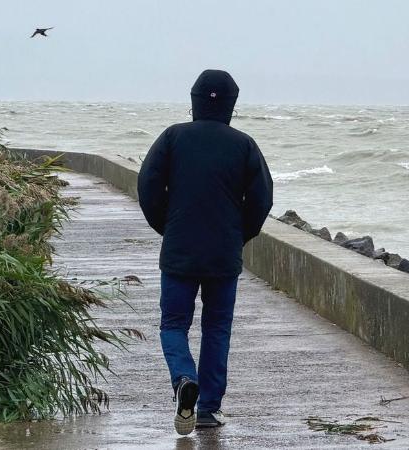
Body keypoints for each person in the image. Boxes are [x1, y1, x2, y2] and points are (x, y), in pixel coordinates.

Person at [137, 69, 273, 435]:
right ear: (231, 105)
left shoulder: (173, 137)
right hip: (223, 254)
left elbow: (147, 185)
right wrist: (237, 235)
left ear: (194, 100)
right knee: (217, 328)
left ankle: (184, 379)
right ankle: (209, 408)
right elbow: (262, 199)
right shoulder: (244, 144)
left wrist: (168, 227)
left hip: (180, 249)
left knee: (173, 324)